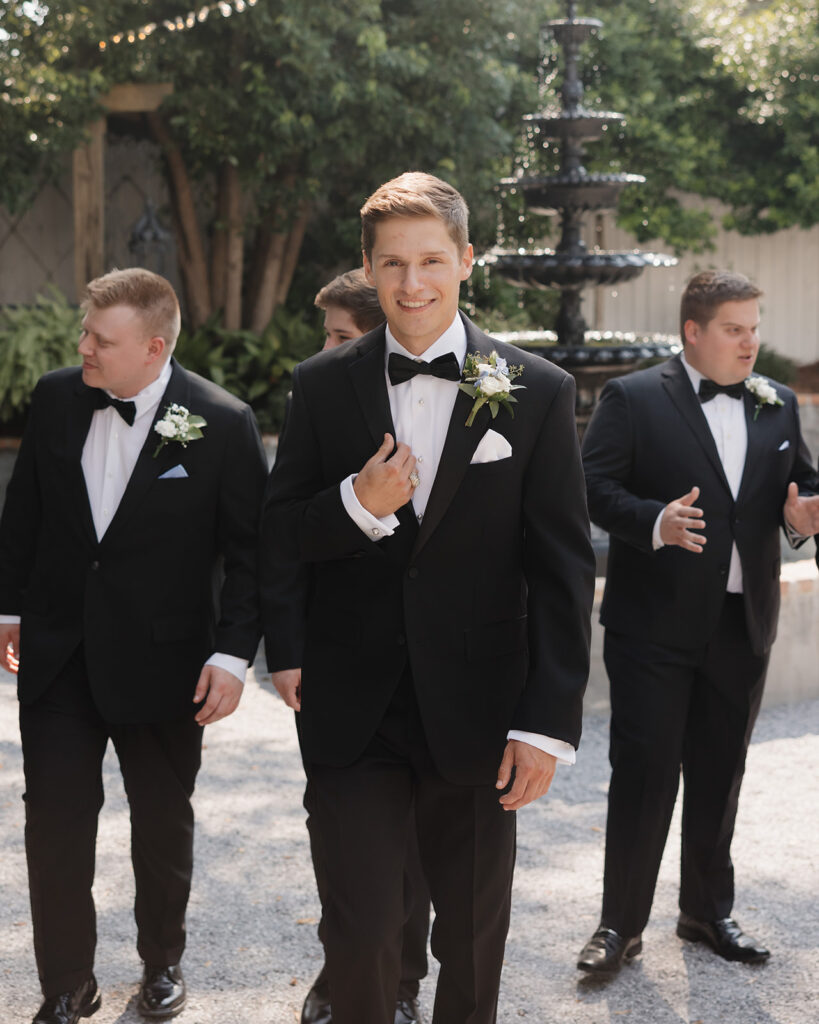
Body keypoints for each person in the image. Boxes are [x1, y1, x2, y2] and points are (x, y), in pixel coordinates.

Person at [260, 171, 595, 1024]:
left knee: (474, 940)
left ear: (467, 261)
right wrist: (351, 508)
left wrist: (544, 724)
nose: (413, 284)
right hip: (353, 707)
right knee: (364, 929)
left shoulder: (540, 390)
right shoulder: (322, 383)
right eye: (393, 264)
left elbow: (561, 569)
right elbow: (278, 535)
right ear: (368, 271)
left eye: (431, 261)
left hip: (482, 711)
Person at [0, 268, 268, 1024]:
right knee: (53, 820)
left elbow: (251, 555)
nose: (82, 346)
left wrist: (229, 656)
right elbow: (23, 512)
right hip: (58, 653)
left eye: (99, 339)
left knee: (160, 820)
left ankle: (161, 963)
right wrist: (6, 609)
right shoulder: (56, 397)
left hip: (165, 662)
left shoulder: (223, 420)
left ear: (154, 347)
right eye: (85, 332)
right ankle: (66, 984)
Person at [577, 270, 819, 975]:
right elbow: (590, 487)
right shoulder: (633, 397)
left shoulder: (774, 405)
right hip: (651, 627)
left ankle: (706, 912)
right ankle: (617, 926)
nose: (751, 342)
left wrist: (800, 515)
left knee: (720, 773)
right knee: (644, 776)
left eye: (753, 327)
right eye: (734, 329)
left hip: (742, 625)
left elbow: (799, 484)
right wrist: (651, 521)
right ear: (692, 332)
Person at [265, 268, 431, 1024]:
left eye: (338, 336)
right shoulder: (320, 403)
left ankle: (399, 983)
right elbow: (284, 537)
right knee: (341, 839)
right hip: (339, 665)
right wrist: (286, 648)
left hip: (433, 669)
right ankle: (347, 974)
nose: (325, 349)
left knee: (418, 847)